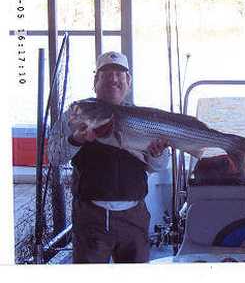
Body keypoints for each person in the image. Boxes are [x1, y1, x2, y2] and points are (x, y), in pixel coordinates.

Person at [48, 51, 169, 263]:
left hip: (134, 217)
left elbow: (158, 166)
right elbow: (55, 157)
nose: (113, 78)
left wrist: (157, 154)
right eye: (106, 74)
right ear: (95, 81)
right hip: (91, 218)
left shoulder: (144, 117)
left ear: (128, 82)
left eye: (119, 74)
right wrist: (77, 139)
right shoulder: (77, 111)